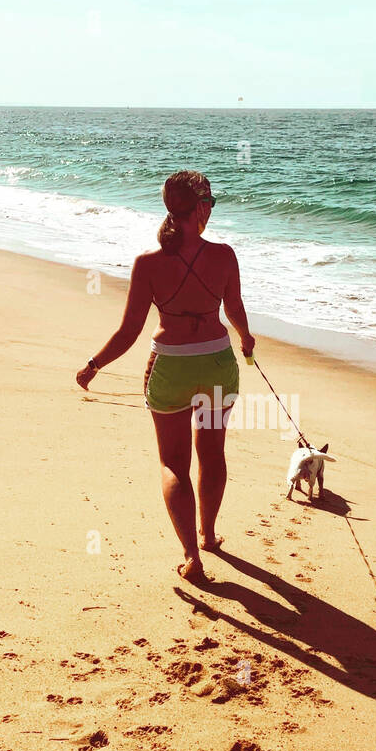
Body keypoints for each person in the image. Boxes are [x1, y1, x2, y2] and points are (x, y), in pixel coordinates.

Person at [76, 170, 255, 584]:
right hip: (216, 364)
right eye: (209, 203)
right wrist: (246, 341)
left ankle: (192, 555)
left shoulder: (148, 265)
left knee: (174, 463)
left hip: (170, 368)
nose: (211, 209)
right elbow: (236, 312)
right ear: (198, 209)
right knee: (212, 454)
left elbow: (128, 332)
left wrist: (94, 365)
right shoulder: (224, 255)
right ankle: (209, 534)